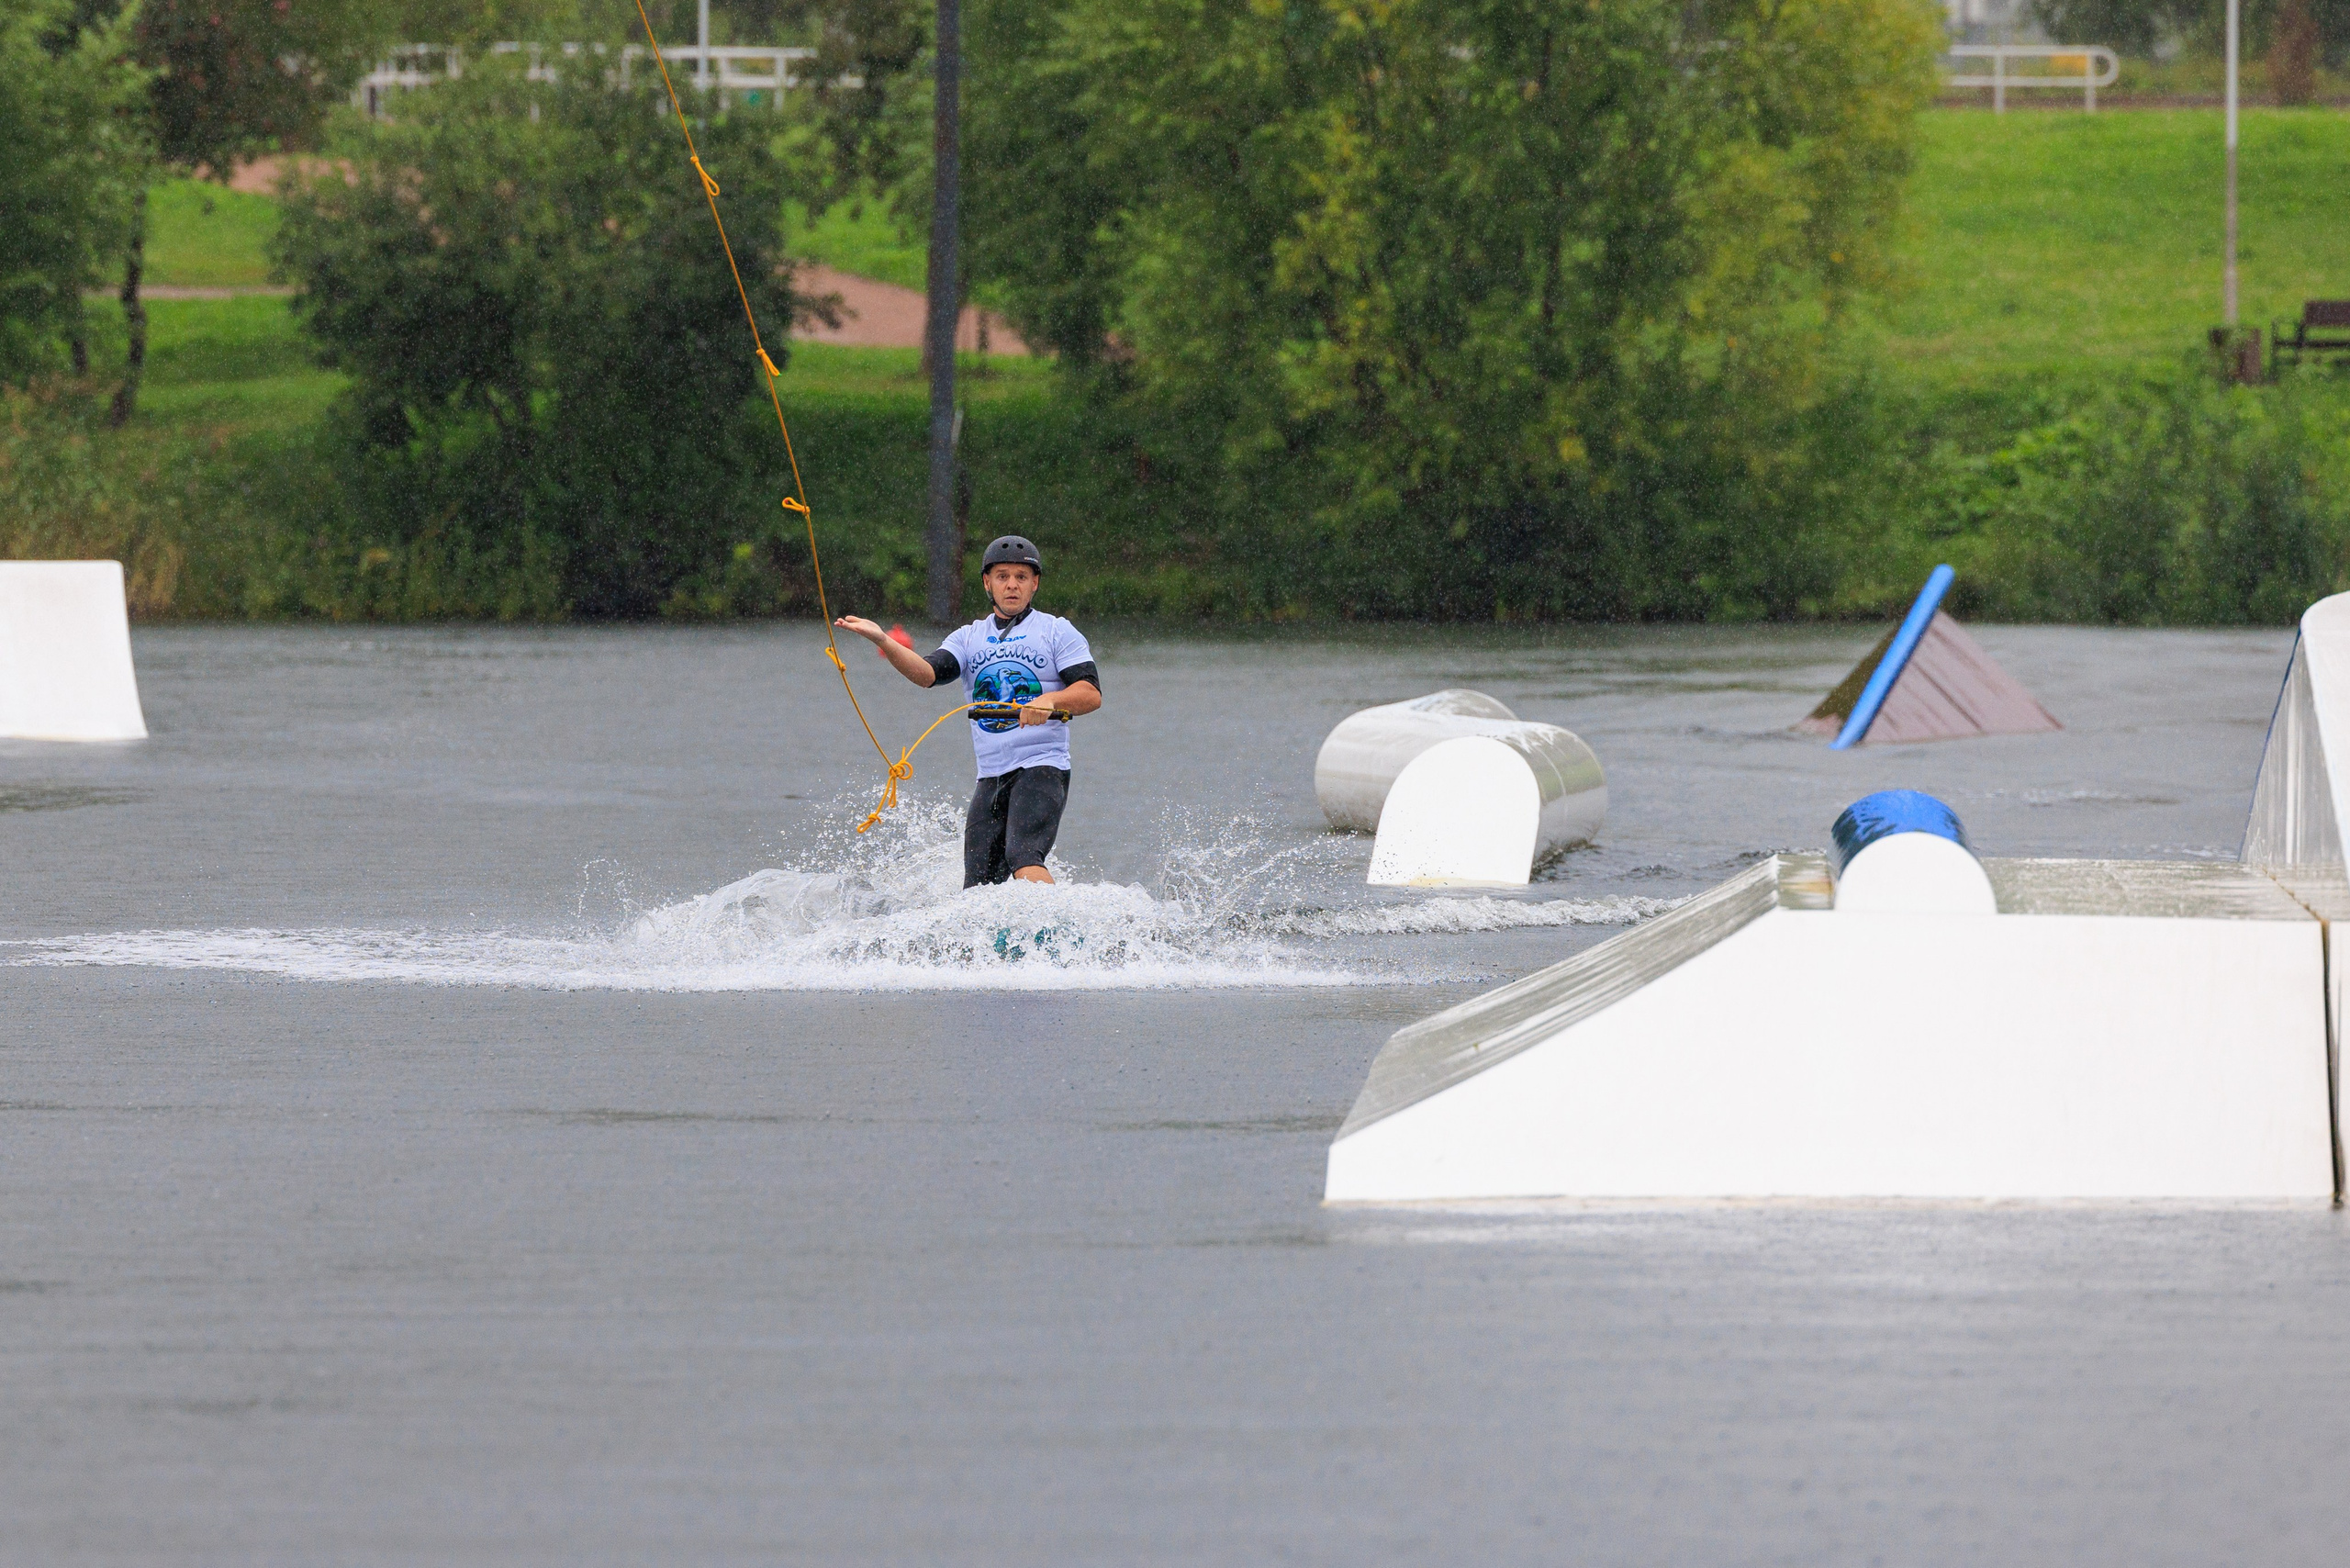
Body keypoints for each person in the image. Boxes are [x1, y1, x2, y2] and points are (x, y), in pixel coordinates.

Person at [835, 535, 1102, 887]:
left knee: (1023, 857)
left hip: (1042, 766)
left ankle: (1059, 932)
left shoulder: (1056, 631)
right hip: (991, 775)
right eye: (1003, 576)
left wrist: (1050, 701)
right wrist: (883, 640)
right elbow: (927, 675)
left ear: (1034, 584)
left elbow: (1090, 693)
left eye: (1021, 577)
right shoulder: (968, 638)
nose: (1012, 585)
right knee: (977, 886)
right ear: (987, 582)